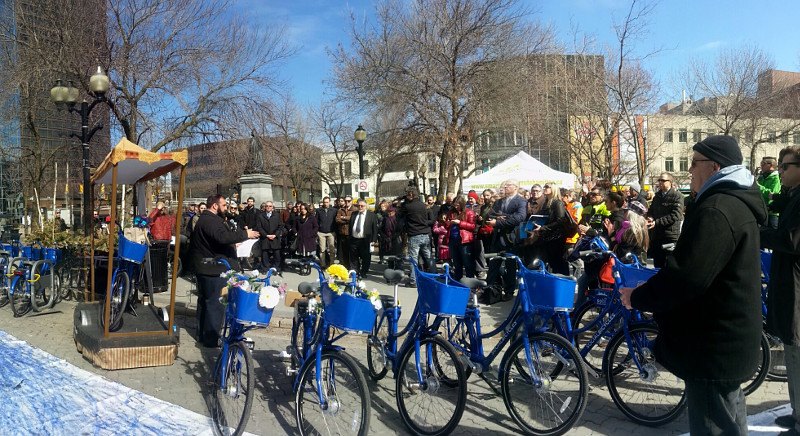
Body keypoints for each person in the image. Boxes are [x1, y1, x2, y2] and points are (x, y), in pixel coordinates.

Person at [620, 135, 767, 435]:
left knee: (714, 425)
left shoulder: (718, 209)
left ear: (714, 166)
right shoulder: (731, 202)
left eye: (694, 163)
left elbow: (686, 277)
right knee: (729, 420)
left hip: (714, 345)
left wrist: (637, 297)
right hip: (725, 341)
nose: (689, 171)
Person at [761, 146, 800, 434]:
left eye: (785, 167)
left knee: (797, 357)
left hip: (797, 292)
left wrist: (757, 234)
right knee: (791, 354)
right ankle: (796, 411)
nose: (780, 172)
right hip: (789, 288)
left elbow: (791, 240)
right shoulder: (792, 196)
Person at [188, 194, 259, 347]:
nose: (226, 208)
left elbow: (215, 242)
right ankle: (211, 339)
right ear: (215, 205)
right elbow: (222, 237)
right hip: (213, 270)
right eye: (224, 205)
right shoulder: (210, 220)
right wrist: (245, 234)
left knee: (206, 302)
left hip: (208, 267)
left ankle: (202, 335)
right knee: (214, 305)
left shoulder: (208, 219)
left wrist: (234, 246)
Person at [484, 179, 527, 301]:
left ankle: (509, 291)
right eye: (504, 185)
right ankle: (490, 290)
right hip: (497, 238)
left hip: (510, 238)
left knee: (510, 265)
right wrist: (498, 218)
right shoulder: (499, 201)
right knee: (493, 264)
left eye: (508, 185)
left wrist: (499, 221)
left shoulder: (521, 201)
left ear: (516, 187)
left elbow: (519, 218)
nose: (505, 187)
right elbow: (489, 215)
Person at [397, 187, 435, 286]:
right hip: (425, 234)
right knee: (429, 257)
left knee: (413, 260)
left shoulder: (408, 207)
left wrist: (402, 199)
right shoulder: (423, 206)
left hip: (414, 235)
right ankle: (435, 276)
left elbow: (399, 210)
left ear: (410, 195)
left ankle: (413, 281)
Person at [646, 172, 684, 268]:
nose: (660, 182)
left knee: (668, 267)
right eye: (659, 180)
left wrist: (657, 222)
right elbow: (651, 210)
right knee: (657, 265)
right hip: (657, 236)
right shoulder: (657, 196)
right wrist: (650, 218)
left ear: (670, 182)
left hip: (669, 236)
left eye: (663, 180)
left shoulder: (677, 196)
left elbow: (675, 215)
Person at [530, 184, 569, 275]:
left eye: (547, 187)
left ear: (554, 189)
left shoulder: (557, 202)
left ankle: (563, 282)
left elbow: (560, 220)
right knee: (551, 263)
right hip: (548, 237)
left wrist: (543, 228)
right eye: (544, 187)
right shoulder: (547, 202)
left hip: (557, 238)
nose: (545, 189)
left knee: (559, 263)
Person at [445, 196, 476, 281]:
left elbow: (472, 226)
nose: (456, 207)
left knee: (467, 262)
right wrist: (448, 223)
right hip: (452, 239)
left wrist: (460, 223)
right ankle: (458, 280)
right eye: (454, 205)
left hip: (464, 240)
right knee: (457, 263)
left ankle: (470, 280)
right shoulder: (451, 212)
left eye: (458, 205)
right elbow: (446, 225)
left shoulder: (469, 212)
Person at [349, 199, 378, 279]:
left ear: (366, 206)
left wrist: (374, 240)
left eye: (362, 206)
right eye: (359, 206)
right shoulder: (354, 214)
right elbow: (350, 226)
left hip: (365, 240)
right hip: (354, 239)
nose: (360, 207)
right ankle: (356, 271)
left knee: (365, 257)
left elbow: (375, 229)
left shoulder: (371, 215)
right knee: (354, 257)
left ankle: (364, 272)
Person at [256, 201, 283, 274]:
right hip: (265, 237)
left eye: (270, 206)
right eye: (267, 206)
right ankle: (265, 268)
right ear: (265, 207)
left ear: (272, 208)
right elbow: (259, 227)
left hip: (275, 237)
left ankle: (276, 268)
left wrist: (275, 234)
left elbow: (280, 226)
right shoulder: (260, 216)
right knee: (265, 254)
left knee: (277, 254)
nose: (268, 207)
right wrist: (266, 235)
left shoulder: (277, 215)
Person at [758, 156, 782, 229]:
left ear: (771, 165)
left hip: (772, 213)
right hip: (761, 211)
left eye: (763, 163)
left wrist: (758, 186)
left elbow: (772, 194)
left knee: (773, 235)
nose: (761, 166)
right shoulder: (761, 177)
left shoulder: (776, 177)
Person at [315, 196, 337, 267]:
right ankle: (323, 264)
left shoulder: (334, 210)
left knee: (332, 250)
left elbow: (335, 221)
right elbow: (316, 221)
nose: (325, 204)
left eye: (327, 202)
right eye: (324, 202)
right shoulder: (319, 210)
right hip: (321, 232)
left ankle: (331, 264)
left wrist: (335, 231)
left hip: (331, 232)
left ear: (329, 202)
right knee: (322, 250)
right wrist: (317, 231)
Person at [336, 196, 356, 269]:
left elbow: (353, 219)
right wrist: (347, 219)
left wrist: (343, 217)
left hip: (351, 233)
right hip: (342, 233)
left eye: (349, 201)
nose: (347, 202)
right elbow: (337, 219)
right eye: (346, 201)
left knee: (352, 252)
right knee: (344, 252)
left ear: (352, 201)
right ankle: (346, 267)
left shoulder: (355, 209)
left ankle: (353, 268)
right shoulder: (341, 210)